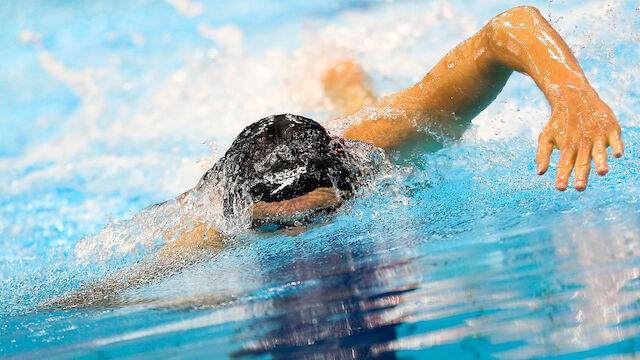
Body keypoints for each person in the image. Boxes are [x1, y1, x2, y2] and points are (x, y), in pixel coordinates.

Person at [53, 6, 624, 307]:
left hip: (361, 138)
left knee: (369, 111)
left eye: (318, 215)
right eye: (276, 228)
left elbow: (510, 26)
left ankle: (340, 73)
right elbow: (120, 283)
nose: (303, 238)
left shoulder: (382, 149)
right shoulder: (216, 216)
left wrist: (573, 97)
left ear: (344, 184)